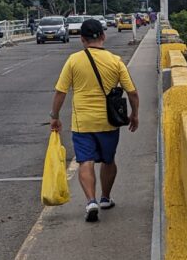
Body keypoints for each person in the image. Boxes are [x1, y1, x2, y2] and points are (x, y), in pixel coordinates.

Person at [49, 18, 139, 222]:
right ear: (103, 36)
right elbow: (132, 92)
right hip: (109, 121)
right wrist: (134, 114)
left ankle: (91, 201)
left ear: (82, 39)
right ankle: (105, 198)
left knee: (85, 161)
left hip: (82, 123)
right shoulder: (115, 61)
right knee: (108, 160)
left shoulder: (73, 60)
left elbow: (60, 92)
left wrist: (54, 117)